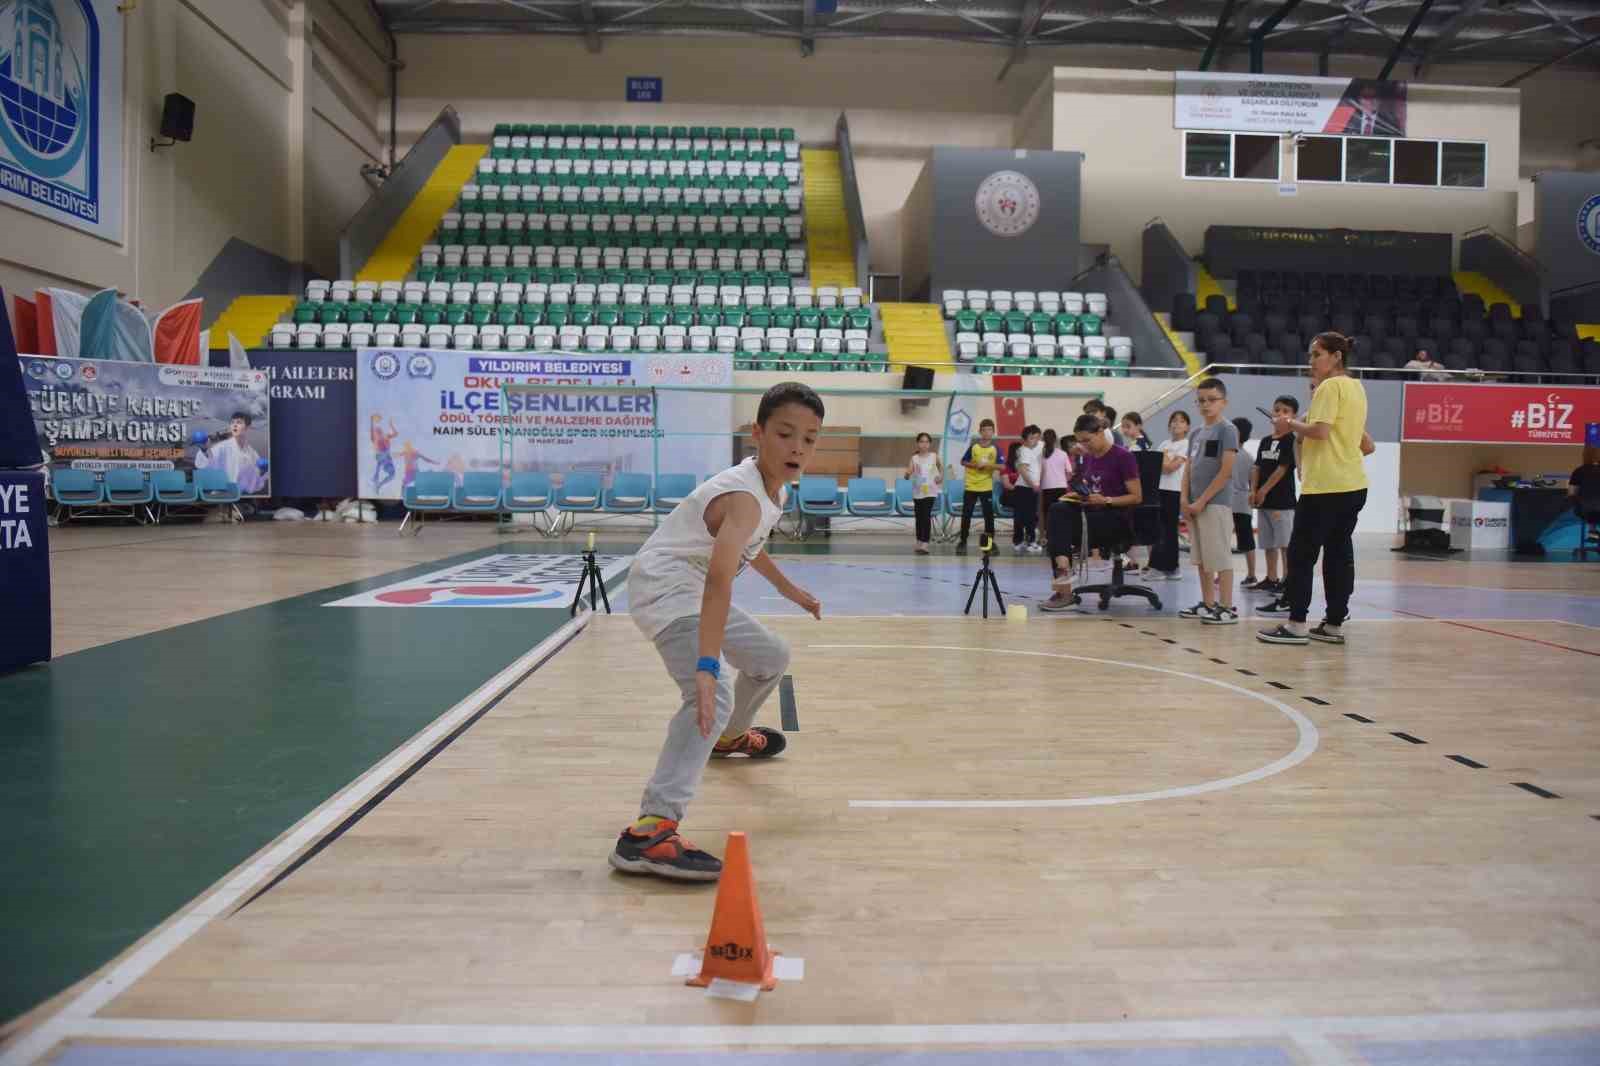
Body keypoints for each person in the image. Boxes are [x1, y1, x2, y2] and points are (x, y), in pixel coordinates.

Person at [612, 382, 825, 882]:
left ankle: (728, 740)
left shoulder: (770, 490)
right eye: (786, 433)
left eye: (810, 438)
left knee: (771, 656)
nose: (798, 447)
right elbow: (717, 584)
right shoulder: (745, 496)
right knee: (710, 694)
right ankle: (649, 830)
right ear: (758, 434)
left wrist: (793, 591)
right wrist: (707, 669)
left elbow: (749, 548)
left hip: (692, 585)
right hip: (667, 588)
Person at [1259, 334, 1374, 647]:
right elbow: (1367, 445)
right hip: (1353, 485)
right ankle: (1334, 624)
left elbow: (1320, 432)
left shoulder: (1329, 387)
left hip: (1325, 488)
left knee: (1301, 556)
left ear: (1336, 356)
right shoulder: (1356, 388)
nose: (1311, 361)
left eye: (1317, 354)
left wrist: (1289, 423)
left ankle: (1296, 625)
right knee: (1339, 555)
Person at [1039, 414, 1142, 612]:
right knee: (1057, 509)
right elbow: (1087, 485)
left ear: (1101, 431)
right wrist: (1077, 495)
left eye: (1088, 440)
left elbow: (1137, 497)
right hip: (1092, 515)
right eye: (1081, 442)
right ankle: (1063, 576)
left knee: (1059, 522)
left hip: (1116, 520)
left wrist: (1107, 500)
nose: (1085, 445)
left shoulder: (1123, 457)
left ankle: (1064, 590)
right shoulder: (1087, 459)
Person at [1179, 379, 1239, 625]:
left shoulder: (1227, 430)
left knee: (1220, 556)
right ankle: (1207, 603)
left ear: (1223, 402)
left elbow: (1225, 472)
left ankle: (1226, 607)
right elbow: (1189, 469)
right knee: (1202, 558)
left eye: (1211, 400)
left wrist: (1202, 501)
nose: (1205, 405)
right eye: (1201, 400)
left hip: (1215, 503)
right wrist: (1184, 499)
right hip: (1193, 504)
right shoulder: (1195, 434)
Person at [1250, 396, 1299, 600]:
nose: (1279, 414)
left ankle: (1288, 579)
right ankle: (1271, 577)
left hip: (1282, 502)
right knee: (1268, 543)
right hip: (1263, 502)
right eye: (1277, 410)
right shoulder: (1266, 441)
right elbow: (1257, 467)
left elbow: (1282, 469)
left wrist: (1264, 490)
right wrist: (1254, 490)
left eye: (1285, 411)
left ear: (1293, 416)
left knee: (1285, 544)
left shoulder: (1291, 441)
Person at [1149, 410, 1190, 579]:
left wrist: (1164, 459)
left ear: (1187, 426)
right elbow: (1153, 465)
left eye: (1181, 421)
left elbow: (1170, 468)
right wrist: (1164, 459)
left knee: (1170, 530)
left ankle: (1171, 567)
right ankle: (1159, 567)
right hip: (1159, 489)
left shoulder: (1185, 444)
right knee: (1158, 529)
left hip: (1174, 491)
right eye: (1173, 420)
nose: (1176, 424)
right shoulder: (1164, 443)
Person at [194, 412, 267, 494]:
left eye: (239, 422)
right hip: (223, 495)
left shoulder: (252, 453)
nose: (234, 425)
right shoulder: (222, 447)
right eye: (232, 422)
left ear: (247, 427)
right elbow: (202, 464)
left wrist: (262, 472)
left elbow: (256, 481)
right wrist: (204, 450)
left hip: (243, 495)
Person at [956, 418, 1000, 555]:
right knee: (966, 515)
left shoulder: (995, 449)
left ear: (993, 432)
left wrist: (988, 466)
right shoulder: (974, 447)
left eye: (990, 430)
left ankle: (990, 544)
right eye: (984, 430)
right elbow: (963, 461)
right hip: (971, 486)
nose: (987, 432)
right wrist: (975, 465)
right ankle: (962, 542)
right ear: (980, 431)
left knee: (988, 516)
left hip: (986, 487)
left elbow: (1002, 466)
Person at [1231, 417, 1260, 589]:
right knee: (1246, 538)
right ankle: (1251, 574)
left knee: (1243, 539)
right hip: (1242, 503)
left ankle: (1249, 574)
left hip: (1233, 502)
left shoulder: (1236, 456)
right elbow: (1252, 484)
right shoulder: (1249, 458)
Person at [905, 431, 942, 555]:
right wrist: (907, 474)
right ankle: (919, 540)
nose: (924, 444)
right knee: (919, 516)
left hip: (930, 490)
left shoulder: (934, 456)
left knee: (926, 515)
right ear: (918, 443)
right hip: (918, 490)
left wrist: (940, 477)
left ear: (930, 444)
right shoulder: (914, 458)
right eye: (922, 441)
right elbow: (909, 471)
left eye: (927, 442)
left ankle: (925, 543)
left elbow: (941, 469)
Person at [1038, 428, 1072, 557]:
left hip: (1046, 488)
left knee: (1048, 516)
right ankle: (1061, 541)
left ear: (1043, 440)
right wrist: (1063, 480)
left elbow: (1039, 473)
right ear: (1056, 439)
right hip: (1061, 488)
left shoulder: (1041, 455)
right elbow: (1069, 473)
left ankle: (1048, 541)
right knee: (1062, 516)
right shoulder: (1063, 454)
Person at [1013, 424, 1043, 553]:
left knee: (1029, 516)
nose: (1035, 441)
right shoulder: (1024, 451)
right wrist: (1033, 485)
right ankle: (1027, 542)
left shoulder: (1038, 446)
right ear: (1025, 439)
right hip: (1024, 488)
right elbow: (1023, 471)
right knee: (1025, 516)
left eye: (1037, 438)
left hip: (1031, 487)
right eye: (1032, 438)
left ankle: (1022, 541)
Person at [370, 415, 399, 494]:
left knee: (392, 474)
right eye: (377, 431)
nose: (379, 432)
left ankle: (378, 483)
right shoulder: (376, 438)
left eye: (379, 431)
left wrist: (391, 425)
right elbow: (372, 432)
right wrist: (371, 421)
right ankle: (376, 478)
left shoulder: (385, 436)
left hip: (386, 457)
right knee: (380, 459)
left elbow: (396, 434)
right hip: (382, 456)